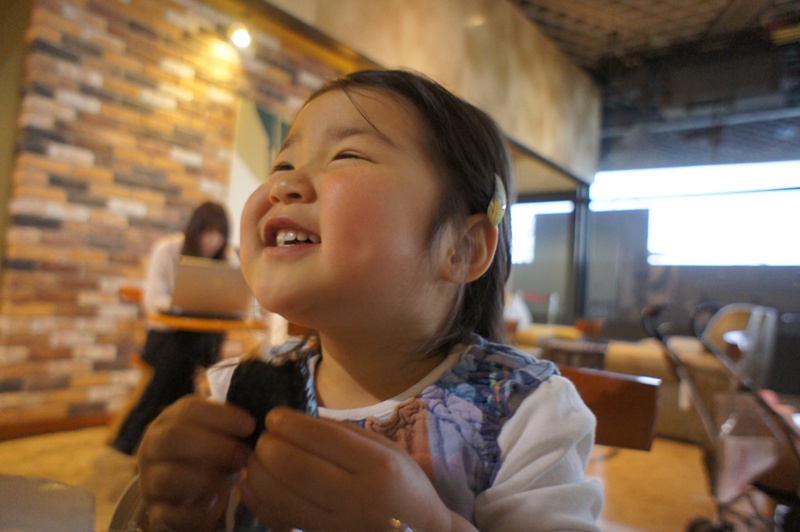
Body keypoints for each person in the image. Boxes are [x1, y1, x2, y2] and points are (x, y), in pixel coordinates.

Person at [136, 70, 603, 531]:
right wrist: (167, 509)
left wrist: (428, 525)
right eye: (281, 165)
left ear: (461, 249)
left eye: (346, 155)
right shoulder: (232, 394)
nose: (284, 184)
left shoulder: (527, 414)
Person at [111, 201, 239, 456]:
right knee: (181, 351)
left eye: (220, 233)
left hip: (206, 340)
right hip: (164, 337)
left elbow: (235, 299)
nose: (214, 240)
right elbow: (153, 301)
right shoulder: (168, 250)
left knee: (188, 351)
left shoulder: (226, 258)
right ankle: (183, 425)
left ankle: (135, 435)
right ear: (195, 230)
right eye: (208, 232)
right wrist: (182, 305)